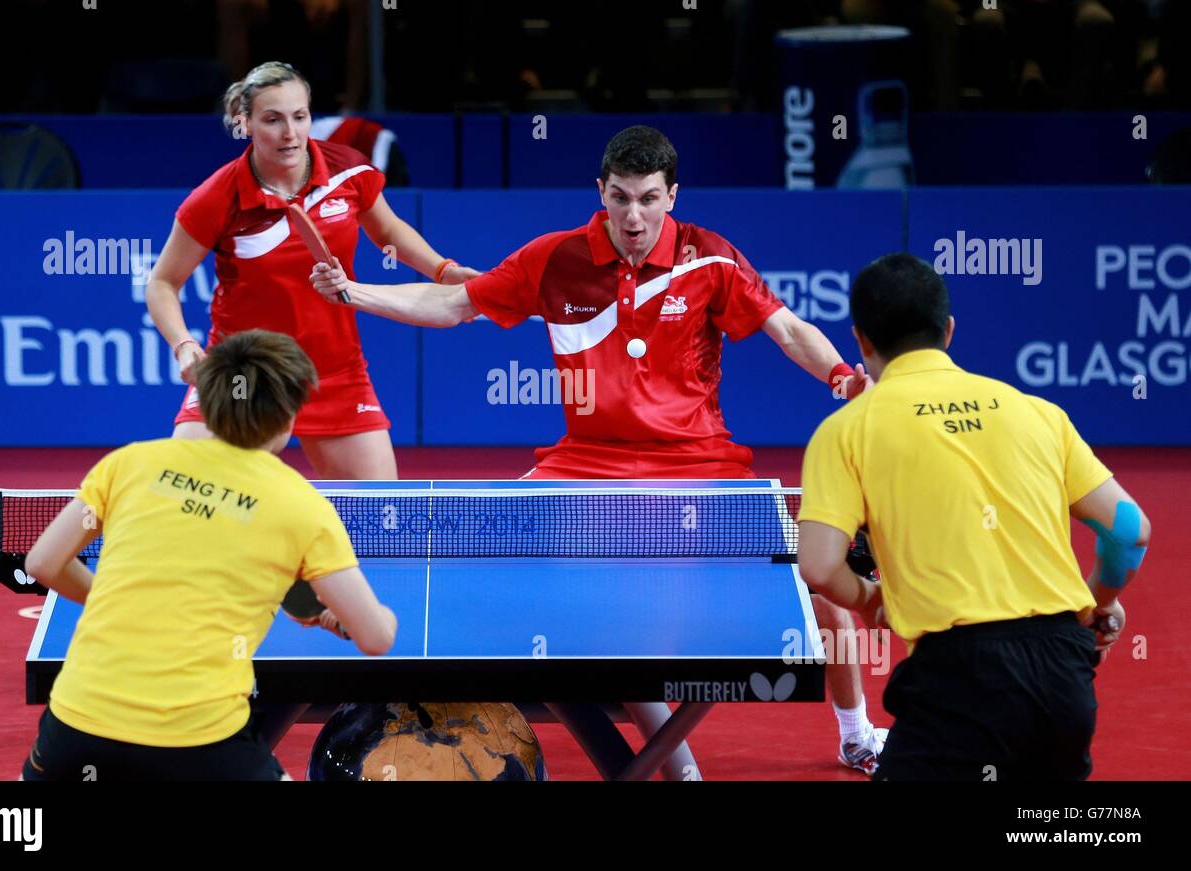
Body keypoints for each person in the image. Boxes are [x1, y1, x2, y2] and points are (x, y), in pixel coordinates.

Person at [310, 125, 888, 778]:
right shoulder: (556, 259)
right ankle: (671, 763)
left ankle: (857, 733)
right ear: (601, 192)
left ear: (672, 195)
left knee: (822, 590)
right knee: (479, 555)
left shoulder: (710, 259)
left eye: (648, 198)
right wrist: (353, 292)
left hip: (700, 464)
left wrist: (844, 376)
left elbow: (786, 329)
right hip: (586, 462)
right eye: (620, 197)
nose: (633, 216)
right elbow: (452, 303)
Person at [797, 253, 1151, 780]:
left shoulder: (847, 430)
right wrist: (1097, 603)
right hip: (1064, 677)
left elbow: (821, 569)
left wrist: (872, 602)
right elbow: (1129, 529)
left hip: (957, 681)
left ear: (861, 340)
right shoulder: (1037, 412)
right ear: (949, 330)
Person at [19, 330, 397, 781]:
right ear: (290, 416)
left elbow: (42, 563)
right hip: (199, 742)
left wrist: (117, 599)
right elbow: (375, 639)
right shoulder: (303, 506)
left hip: (77, 724)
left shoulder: (129, 464)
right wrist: (371, 618)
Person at [145, 61, 478, 479]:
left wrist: (442, 270)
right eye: (272, 120)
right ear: (244, 123)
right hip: (244, 372)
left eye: (299, 117)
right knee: (187, 496)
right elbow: (162, 282)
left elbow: (388, 230)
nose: (290, 133)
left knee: (379, 522)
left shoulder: (349, 170)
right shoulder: (216, 198)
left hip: (334, 372)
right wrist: (183, 346)